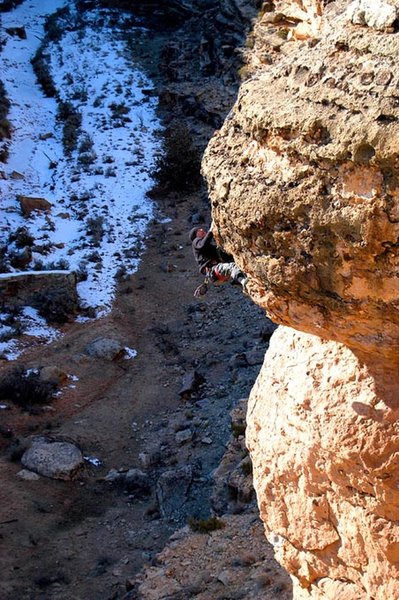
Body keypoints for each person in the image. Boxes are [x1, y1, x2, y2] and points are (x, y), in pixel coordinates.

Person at [189, 223, 248, 297]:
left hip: (216, 273)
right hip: (214, 270)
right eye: (198, 230)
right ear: (195, 235)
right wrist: (211, 231)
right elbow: (203, 244)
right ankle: (243, 281)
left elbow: (221, 254)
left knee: (236, 266)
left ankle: (238, 281)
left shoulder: (208, 248)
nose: (201, 229)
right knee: (232, 267)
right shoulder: (196, 242)